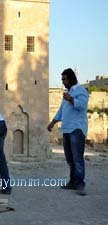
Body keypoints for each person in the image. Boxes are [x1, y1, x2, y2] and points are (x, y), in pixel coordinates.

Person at [48, 68, 89, 196]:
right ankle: (73, 182)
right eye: (62, 80)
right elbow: (62, 110)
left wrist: (71, 99)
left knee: (77, 158)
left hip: (76, 129)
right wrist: (53, 122)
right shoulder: (68, 93)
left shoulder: (80, 90)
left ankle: (80, 184)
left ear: (71, 78)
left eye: (64, 79)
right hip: (66, 129)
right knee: (70, 159)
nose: (63, 82)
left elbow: (82, 105)